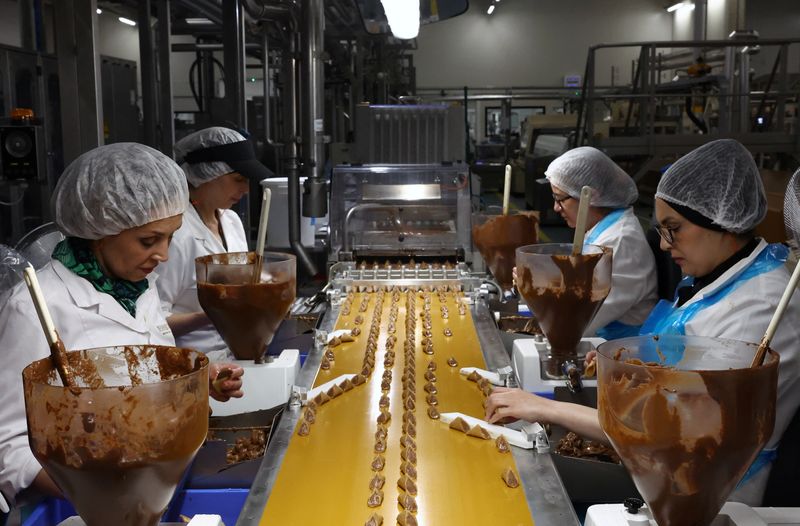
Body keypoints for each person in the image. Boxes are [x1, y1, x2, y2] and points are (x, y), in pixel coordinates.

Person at [489, 139, 800, 506]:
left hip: (704, 492)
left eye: (673, 228)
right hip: (665, 463)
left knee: (525, 483)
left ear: (719, 221)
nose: (665, 246)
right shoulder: (721, 279)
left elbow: (679, 430)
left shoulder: (758, 307)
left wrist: (545, 407)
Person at [0, 143, 244, 506]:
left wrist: (194, 385)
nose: (162, 255)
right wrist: (101, 493)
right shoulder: (36, 308)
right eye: (149, 240)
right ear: (101, 229)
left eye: (170, 237)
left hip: (159, 483)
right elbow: (9, 446)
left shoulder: (137, 285)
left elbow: (141, 368)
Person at [155, 127, 272, 361]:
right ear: (206, 174)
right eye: (238, 179)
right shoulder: (175, 235)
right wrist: (211, 315)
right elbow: (153, 324)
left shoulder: (230, 220)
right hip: (194, 364)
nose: (246, 190)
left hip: (238, 353)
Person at [517, 146, 657, 339]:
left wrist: (533, 293)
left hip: (619, 350)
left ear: (591, 196)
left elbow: (577, 323)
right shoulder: (598, 230)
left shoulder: (620, 242)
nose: (555, 208)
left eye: (560, 199)